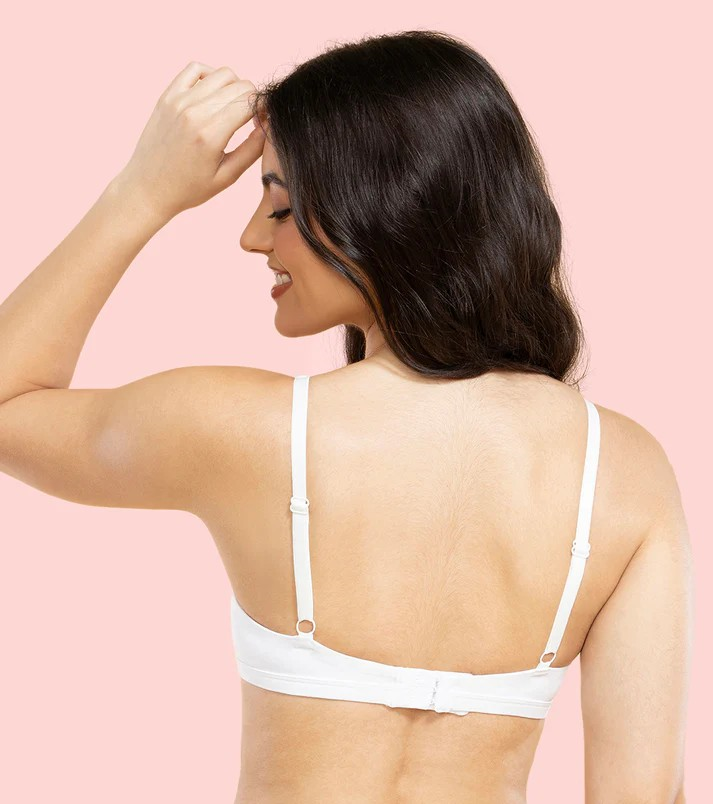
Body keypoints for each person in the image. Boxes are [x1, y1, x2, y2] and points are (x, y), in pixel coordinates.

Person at [0, 31, 692, 804]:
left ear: (386, 204)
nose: (252, 237)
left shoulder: (252, 431)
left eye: (281, 205)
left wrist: (141, 193)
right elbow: (641, 793)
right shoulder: (623, 471)